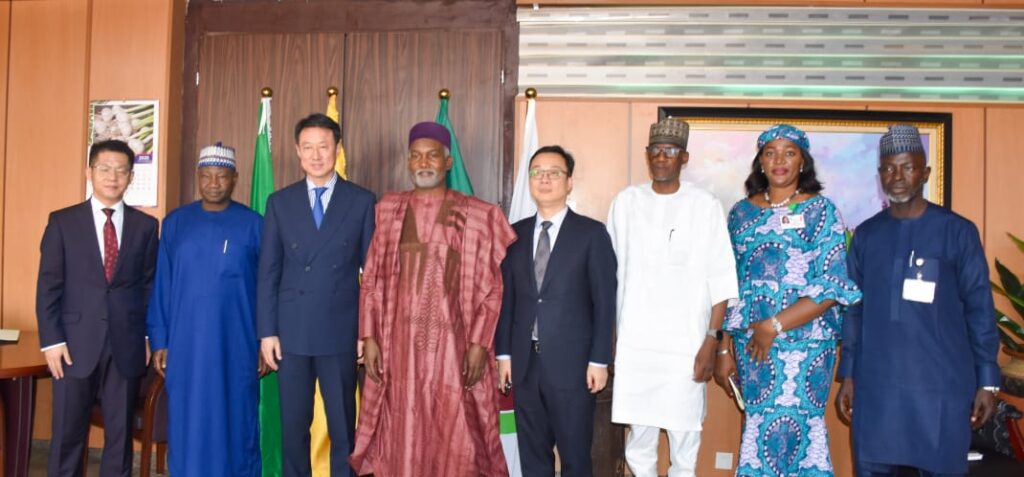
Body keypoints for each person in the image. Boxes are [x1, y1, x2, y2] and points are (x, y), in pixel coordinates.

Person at [349, 122, 515, 477]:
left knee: (457, 432)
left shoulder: (479, 215)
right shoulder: (389, 210)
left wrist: (479, 344)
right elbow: (372, 278)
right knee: (400, 425)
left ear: (448, 162)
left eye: (432, 155)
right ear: (408, 162)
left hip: (454, 351)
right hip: (399, 349)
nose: (423, 163)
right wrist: (370, 336)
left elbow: (492, 288)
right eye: (416, 156)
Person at [835, 124, 999, 477]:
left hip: (941, 387)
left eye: (907, 167)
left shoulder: (957, 231)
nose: (897, 177)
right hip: (877, 388)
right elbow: (853, 310)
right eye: (889, 168)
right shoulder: (867, 235)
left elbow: (980, 309)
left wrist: (987, 380)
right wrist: (848, 374)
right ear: (880, 175)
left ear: (924, 173)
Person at [715, 124, 861, 477]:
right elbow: (729, 283)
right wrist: (723, 348)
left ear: (802, 162)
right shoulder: (740, 214)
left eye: (789, 153)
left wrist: (775, 325)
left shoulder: (821, 211)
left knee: (803, 430)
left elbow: (832, 283)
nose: (779, 160)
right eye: (771, 153)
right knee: (757, 427)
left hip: (807, 344)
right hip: (752, 346)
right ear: (760, 162)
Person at [608, 118, 739, 477]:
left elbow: (721, 279)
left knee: (685, 440)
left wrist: (712, 340)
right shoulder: (626, 202)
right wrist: (612, 337)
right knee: (639, 442)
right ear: (647, 155)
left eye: (670, 150)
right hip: (636, 345)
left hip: (686, 346)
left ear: (684, 157)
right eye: (656, 150)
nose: (662, 157)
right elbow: (610, 275)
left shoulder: (704, 204)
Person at [257, 113, 376, 477]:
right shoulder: (280, 202)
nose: (316, 155)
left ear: (337, 148)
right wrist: (267, 332)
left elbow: (373, 276)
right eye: (307, 147)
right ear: (297, 151)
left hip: (341, 331)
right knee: (294, 428)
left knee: (343, 428)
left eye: (323, 146)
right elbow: (268, 272)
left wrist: (366, 332)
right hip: (291, 332)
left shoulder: (361, 201)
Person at [36, 139, 159, 477]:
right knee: (67, 436)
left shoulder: (146, 227)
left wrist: (147, 336)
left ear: (131, 176)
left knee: (120, 439)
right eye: (104, 168)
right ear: (89, 172)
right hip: (73, 346)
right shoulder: (62, 222)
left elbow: (149, 286)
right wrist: (52, 341)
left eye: (121, 170)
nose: (112, 177)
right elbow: (48, 286)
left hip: (126, 344)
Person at [495, 145, 617, 476]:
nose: (544, 179)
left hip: (573, 367)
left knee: (575, 458)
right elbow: (506, 299)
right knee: (533, 457)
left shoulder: (591, 234)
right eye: (537, 172)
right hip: (524, 366)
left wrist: (600, 360)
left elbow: (604, 302)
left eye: (554, 173)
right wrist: (503, 354)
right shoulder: (514, 234)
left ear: (569, 182)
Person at [147, 143, 263, 475]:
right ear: (198, 177)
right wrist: (160, 340)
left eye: (222, 176)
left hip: (237, 344)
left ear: (235, 178)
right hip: (186, 346)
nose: (213, 183)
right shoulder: (176, 223)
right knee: (189, 418)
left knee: (236, 417)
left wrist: (263, 341)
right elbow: (162, 285)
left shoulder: (254, 225)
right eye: (206, 176)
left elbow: (267, 288)